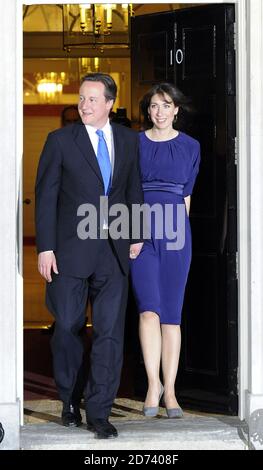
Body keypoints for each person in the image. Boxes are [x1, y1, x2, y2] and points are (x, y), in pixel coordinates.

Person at [35, 73, 143, 439]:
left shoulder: (129, 140)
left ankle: (99, 411)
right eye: (81, 98)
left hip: (114, 252)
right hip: (68, 252)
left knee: (110, 333)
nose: (83, 105)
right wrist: (45, 247)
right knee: (67, 326)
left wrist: (137, 233)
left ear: (110, 103)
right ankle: (69, 399)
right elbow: (47, 196)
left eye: (92, 99)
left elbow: (133, 189)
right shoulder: (60, 141)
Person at [130, 83, 200, 418]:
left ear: (176, 110)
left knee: (171, 315)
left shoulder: (191, 147)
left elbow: (186, 198)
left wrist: (179, 238)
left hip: (176, 235)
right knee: (148, 311)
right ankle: (151, 384)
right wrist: (132, 233)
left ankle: (170, 390)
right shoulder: (135, 144)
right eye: (154, 105)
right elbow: (126, 192)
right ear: (148, 111)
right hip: (141, 233)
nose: (159, 111)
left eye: (166, 105)